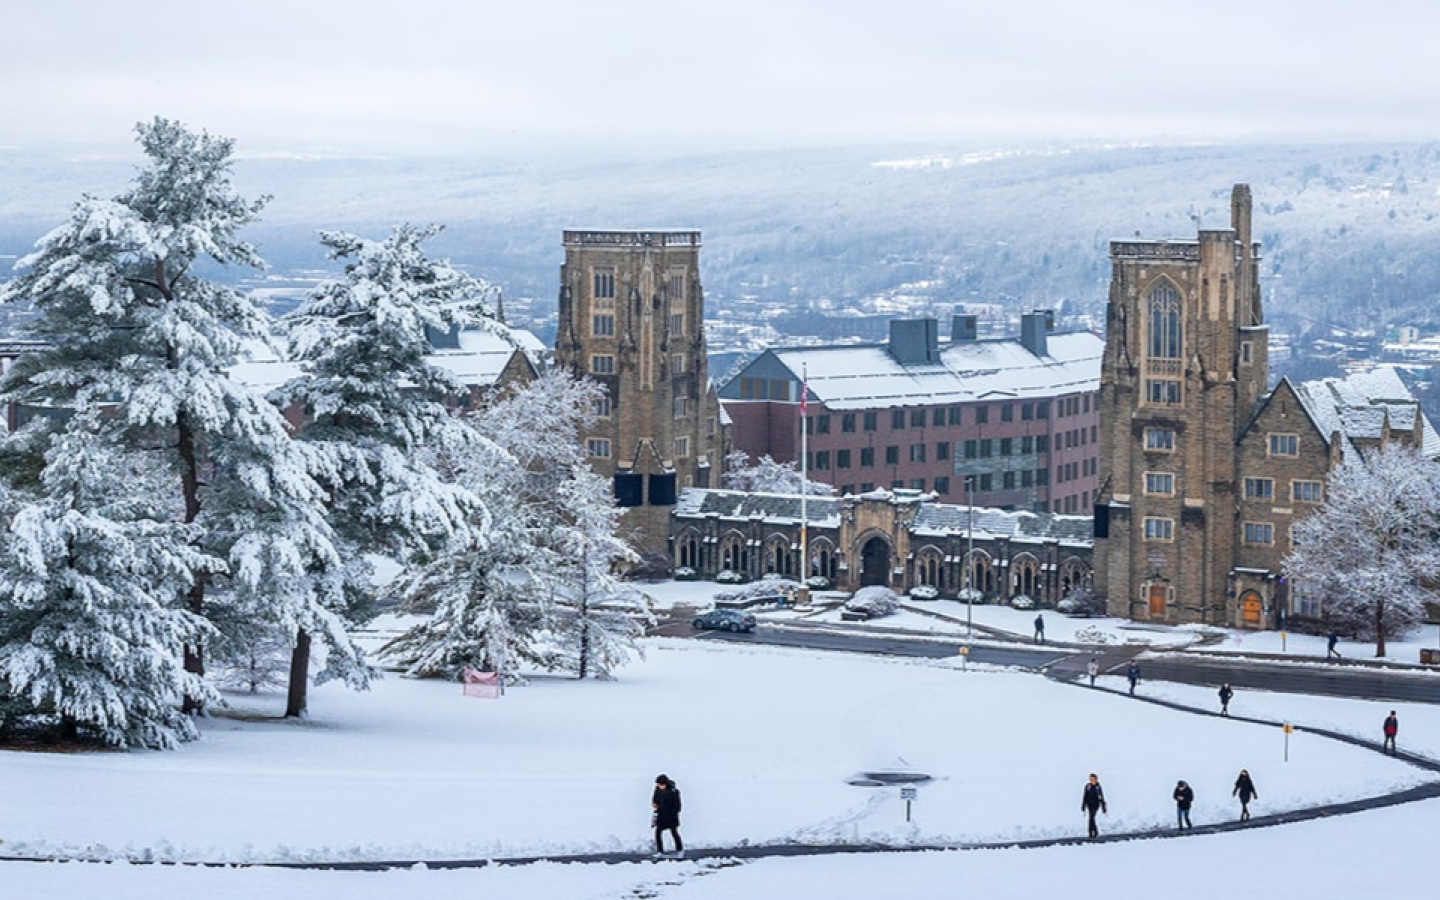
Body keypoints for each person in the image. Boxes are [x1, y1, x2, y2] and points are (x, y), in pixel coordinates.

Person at [652, 774, 684, 858]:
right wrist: (655, 804)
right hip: (661, 816)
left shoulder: (674, 792)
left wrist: (672, 813)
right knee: (657, 832)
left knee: (674, 832)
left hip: (671, 817)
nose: (659, 786)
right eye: (658, 785)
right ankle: (660, 851)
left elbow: (678, 806)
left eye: (661, 785)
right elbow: (655, 799)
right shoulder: (657, 790)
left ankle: (680, 850)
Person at [1081, 773, 1107, 839]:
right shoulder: (1087, 786)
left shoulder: (1098, 787)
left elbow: (1101, 797)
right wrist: (1083, 805)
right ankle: (1094, 832)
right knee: (1091, 818)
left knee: (1091, 818)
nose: (1091, 780)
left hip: (1095, 805)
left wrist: (1103, 807)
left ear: (1096, 779)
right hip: (1089, 805)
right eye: (1090, 779)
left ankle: (1091, 833)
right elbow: (1085, 796)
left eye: (1093, 779)